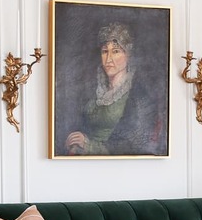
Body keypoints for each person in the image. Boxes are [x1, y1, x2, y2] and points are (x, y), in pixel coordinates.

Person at [64, 22, 167, 156]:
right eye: (105, 51)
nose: (109, 59)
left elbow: (134, 142)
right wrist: (74, 143)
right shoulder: (94, 90)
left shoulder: (139, 94)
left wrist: (90, 146)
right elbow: (78, 124)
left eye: (116, 51)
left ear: (128, 55)